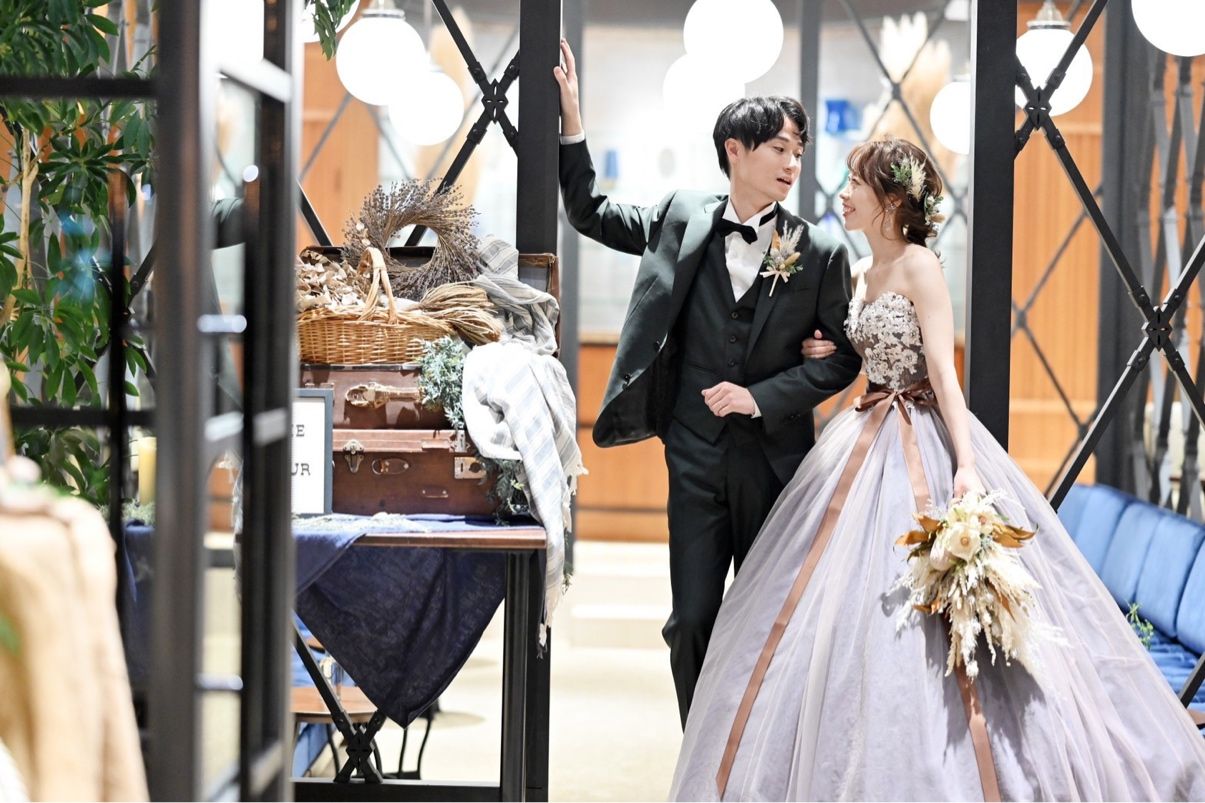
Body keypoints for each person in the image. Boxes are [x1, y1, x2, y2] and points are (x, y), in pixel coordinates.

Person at [668, 137, 1205, 800]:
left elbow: (945, 375)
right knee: (829, 605)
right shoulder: (860, 271)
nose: (843, 195)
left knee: (925, 607)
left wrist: (966, 466)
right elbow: (858, 359)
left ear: (891, 199)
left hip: (918, 434)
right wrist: (821, 357)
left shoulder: (920, 266)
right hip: (861, 432)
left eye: (854, 184)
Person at [553, 40, 862, 726]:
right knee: (690, 619)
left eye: (798, 152)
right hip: (693, 456)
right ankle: (701, 751)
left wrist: (761, 396)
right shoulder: (680, 217)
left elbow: (841, 359)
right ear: (734, 151)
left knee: (769, 618)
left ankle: (757, 753)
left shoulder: (819, 251)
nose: (792, 163)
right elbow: (589, 212)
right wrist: (571, 118)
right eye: (778, 149)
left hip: (776, 464)